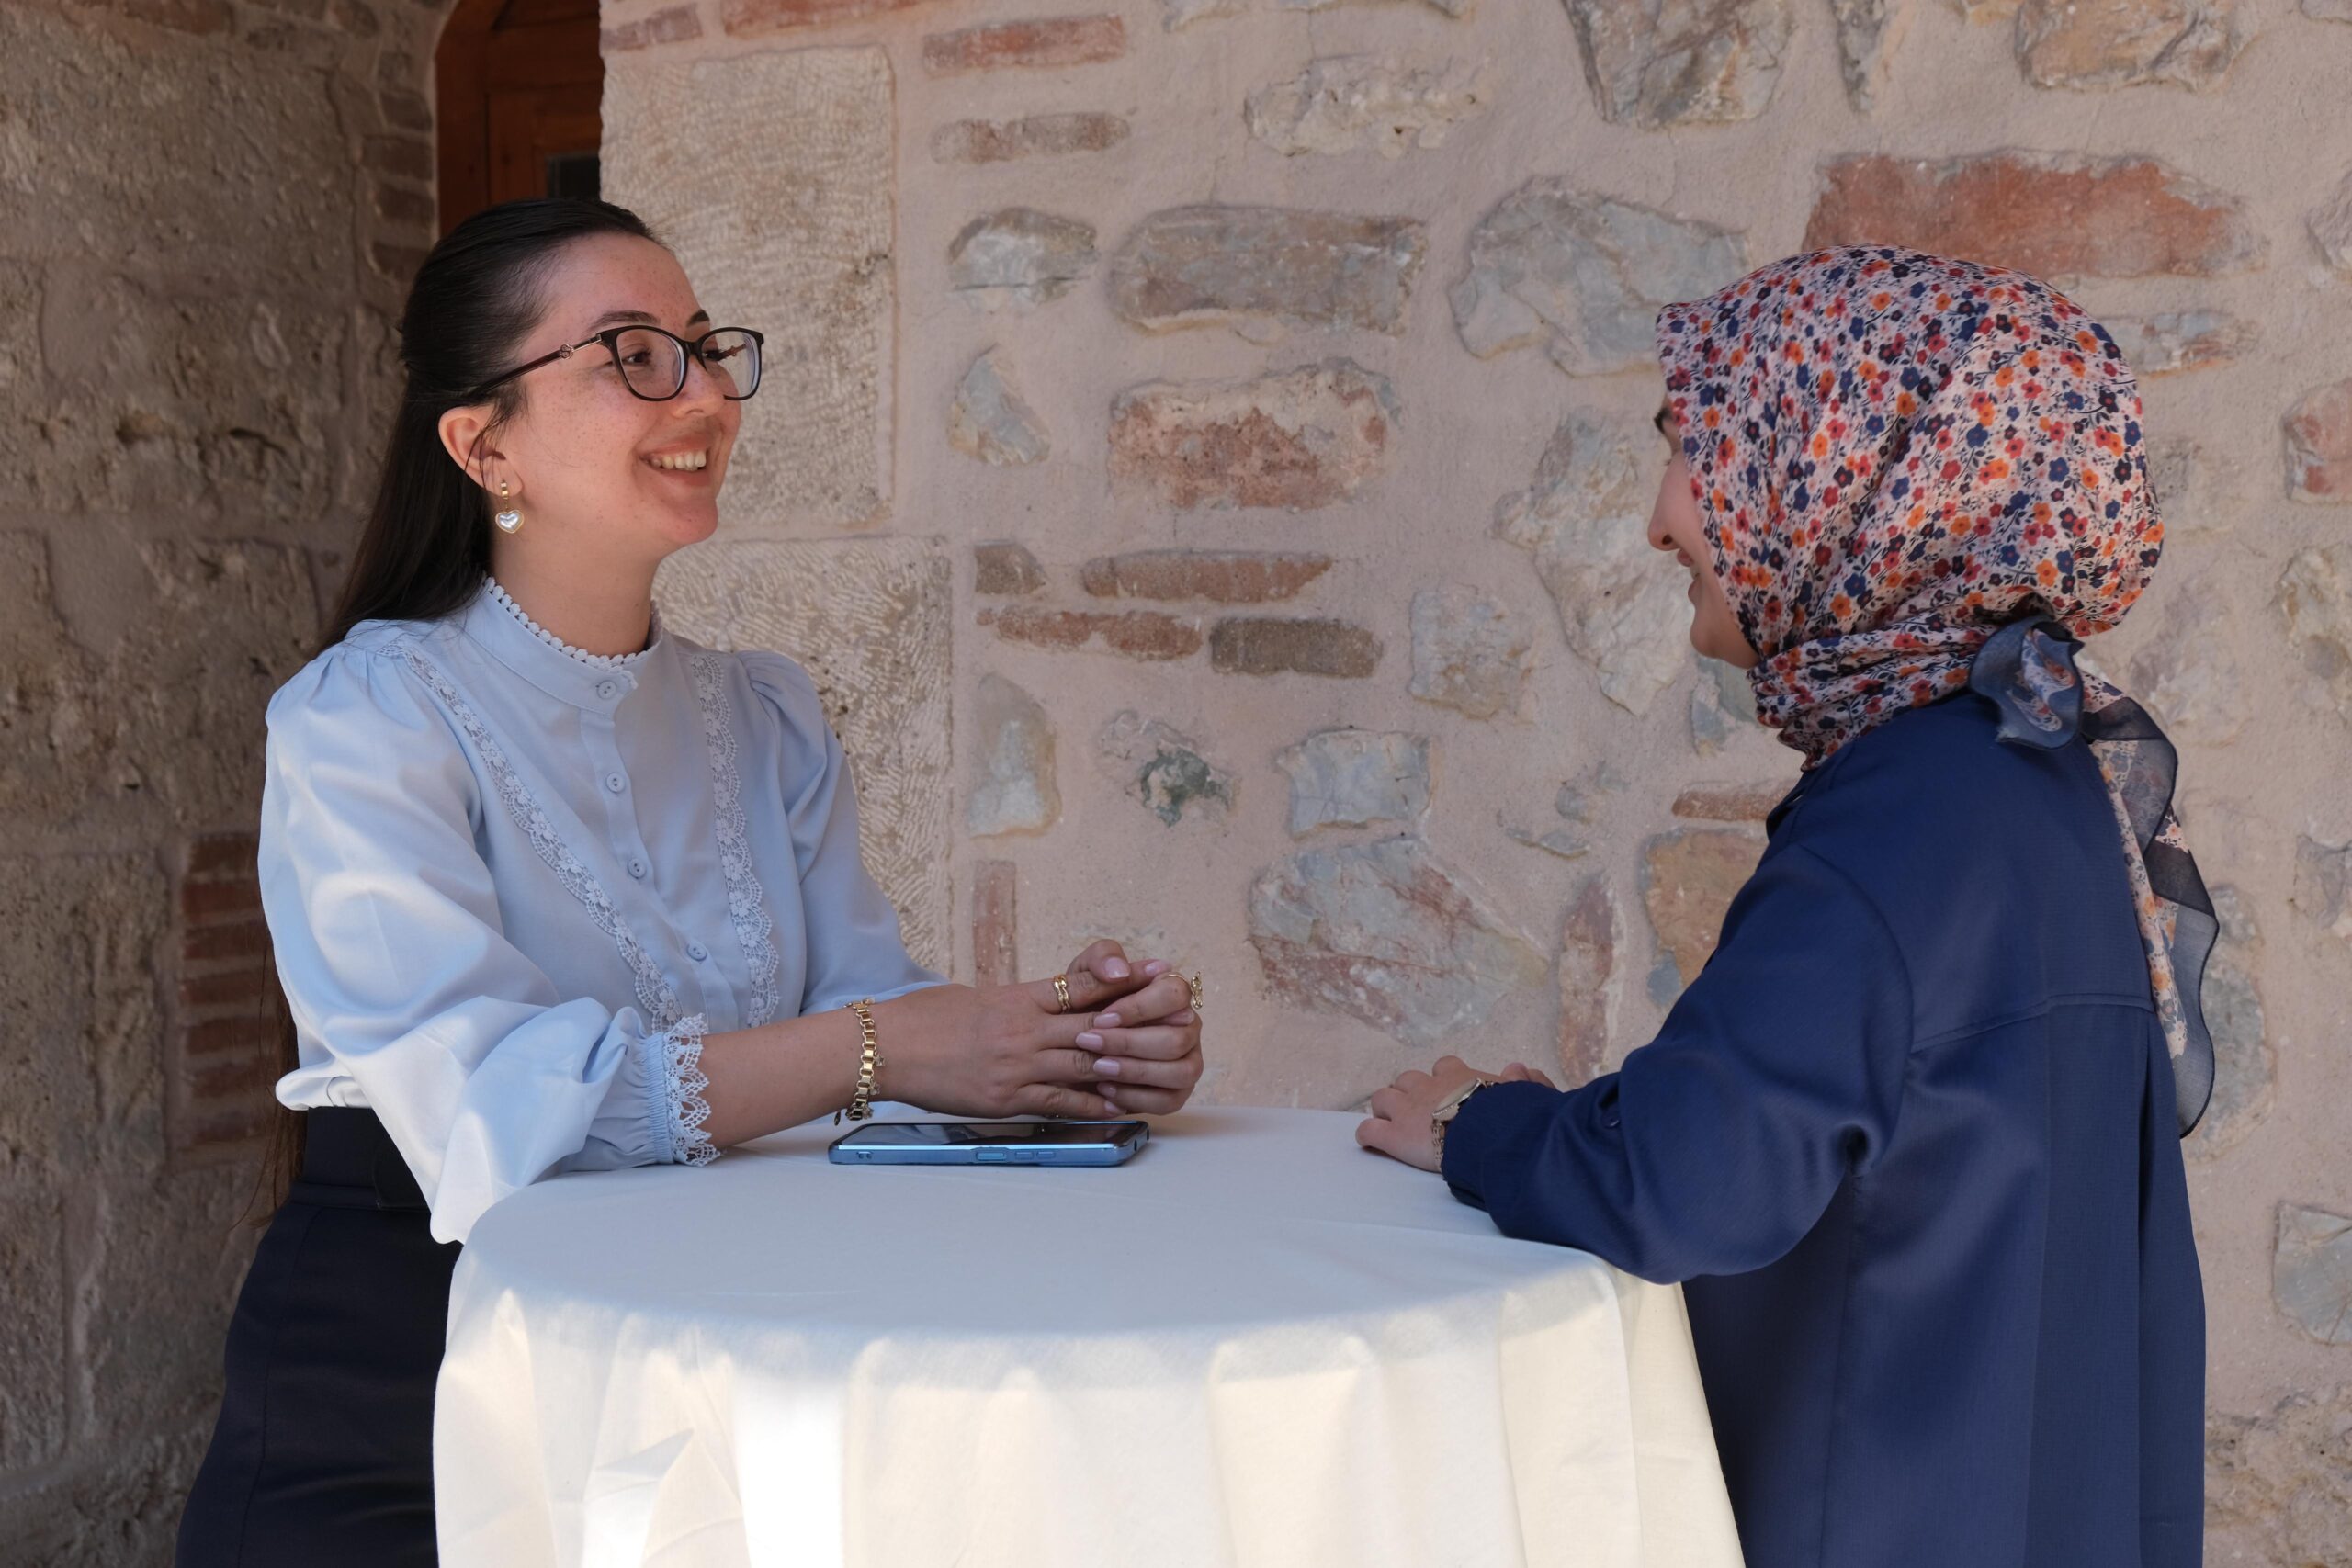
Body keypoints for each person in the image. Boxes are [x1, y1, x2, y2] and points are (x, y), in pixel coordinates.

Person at [176, 197, 1206, 1567]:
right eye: (634, 355)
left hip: (715, 1371)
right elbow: (489, 1109)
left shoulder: (766, 716)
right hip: (407, 1379)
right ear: (484, 445)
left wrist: (1066, 1050)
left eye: (707, 347)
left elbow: (874, 1024)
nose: (707, 393)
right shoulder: (366, 716)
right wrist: (890, 1045)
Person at [1359, 246, 2211, 1568]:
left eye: (1696, 453)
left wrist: (1479, 1125)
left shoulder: (1902, 816)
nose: (1663, 521)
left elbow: (1687, 1180)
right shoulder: (2041, 780)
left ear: (1850, 473)